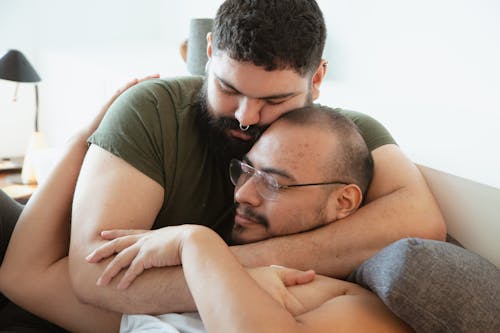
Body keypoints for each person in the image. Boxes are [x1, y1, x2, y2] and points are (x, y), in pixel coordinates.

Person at [65, 0, 445, 316]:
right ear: (211, 51)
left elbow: (422, 220)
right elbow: (92, 274)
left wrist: (226, 264)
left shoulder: (340, 138)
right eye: (228, 88)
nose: (246, 116)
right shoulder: (150, 111)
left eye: (274, 101)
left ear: (316, 79)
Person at [0, 104, 412, 332]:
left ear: (344, 202)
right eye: (246, 170)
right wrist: (82, 143)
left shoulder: (352, 302)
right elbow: (25, 277)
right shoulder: (178, 291)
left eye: (273, 182)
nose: (242, 194)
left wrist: (195, 244)